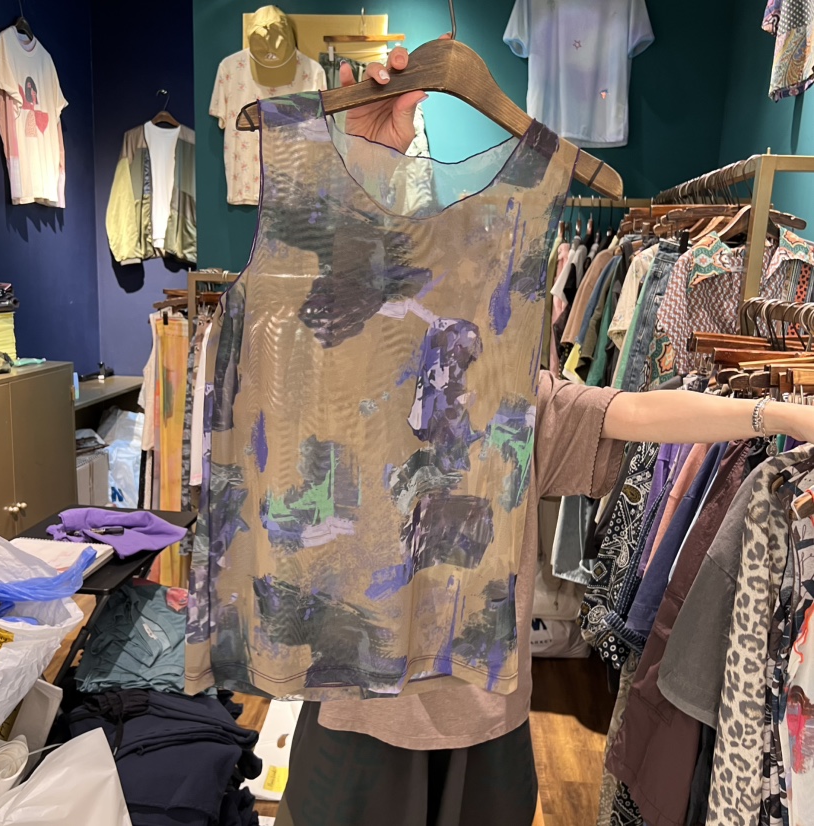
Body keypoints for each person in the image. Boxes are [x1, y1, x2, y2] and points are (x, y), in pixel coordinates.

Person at [273, 39, 814, 826]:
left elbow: (636, 412)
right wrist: (363, 161)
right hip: (359, 717)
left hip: (484, 723)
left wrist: (784, 413)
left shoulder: (513, 404)